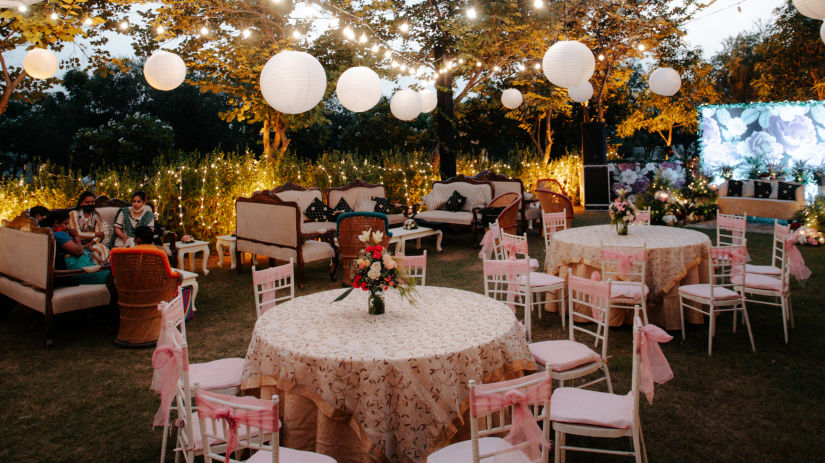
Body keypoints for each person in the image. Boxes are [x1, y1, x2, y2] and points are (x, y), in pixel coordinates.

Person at [40, 210, 109, 285]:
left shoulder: (46, 234)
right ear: (56, 223)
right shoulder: (59, 235)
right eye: (65, 224)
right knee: (114, 275)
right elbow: (79, 252)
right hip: (78, 273)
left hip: (70, 272)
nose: (67, 227)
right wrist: (76, 236)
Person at [68, 191, 110, 264]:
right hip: (77, 244)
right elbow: (78, 234)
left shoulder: (96, 215)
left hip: (92, 243)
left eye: (92, 202)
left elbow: (100, 234)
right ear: (81, 203)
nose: (90, 204)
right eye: (87, 202)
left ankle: (105, 270)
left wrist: (92, 243)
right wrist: (95, 234)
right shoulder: (74, 214)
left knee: (101, 248)